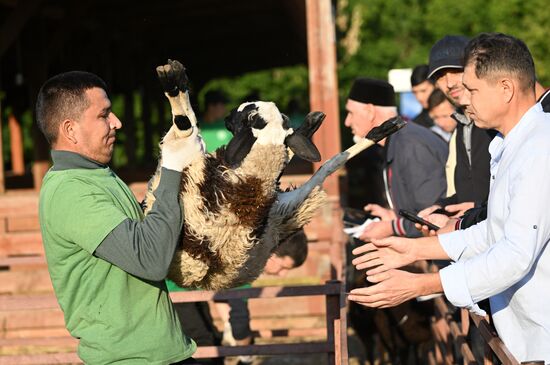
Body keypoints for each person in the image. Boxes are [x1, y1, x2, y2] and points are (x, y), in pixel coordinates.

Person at [349, 33, 550, 363]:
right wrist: (413, 248)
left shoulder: (541, 149)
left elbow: (515, 254)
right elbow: (492, 232)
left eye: (472, 89)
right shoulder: (510, 144)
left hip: (541, 336)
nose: (463, 98)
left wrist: (422, 285)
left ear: (506, 89)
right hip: (521, 335)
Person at [36, 71, 202, 364]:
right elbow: (150, 259)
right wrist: (173, 166)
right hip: (128, 358)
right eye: (104, 115)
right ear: (70, 130)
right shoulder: (69, 190)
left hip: (163, 351)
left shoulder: (99, 175)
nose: (117, 123)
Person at [173, 229, 309, 365]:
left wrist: (228, 324)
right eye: (283, 267)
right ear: (272, 254)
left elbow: (222, 293)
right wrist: (246, 356)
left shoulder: (244, 244)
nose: (282, 275)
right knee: (202, 343)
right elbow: (239, 322)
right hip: (176, 287)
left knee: (211, 341)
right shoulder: (244, 260)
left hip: (188, 286)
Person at [344, 78, 448, 239]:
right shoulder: (398, 141)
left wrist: (392, 227)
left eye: (351, 113)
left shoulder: (411, 144)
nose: (347, 122)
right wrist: (392, 216)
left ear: (370, 111)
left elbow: (434, 218)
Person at [419, 35, 495, 223]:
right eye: (440, 76)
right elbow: (467, 194)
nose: (449, 82)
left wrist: (479, 209)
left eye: (455, 71)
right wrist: (441, 208)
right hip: (473, 238)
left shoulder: (495, 119)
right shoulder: (461, 125)